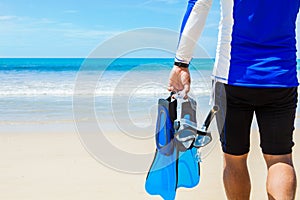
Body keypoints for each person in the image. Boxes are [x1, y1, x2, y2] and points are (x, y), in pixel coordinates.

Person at [168, 0, 300, 199]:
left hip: (231, 78)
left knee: (234, 159)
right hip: (281, 77)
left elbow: (198, 5)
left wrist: (181, 63)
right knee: (280, 159)